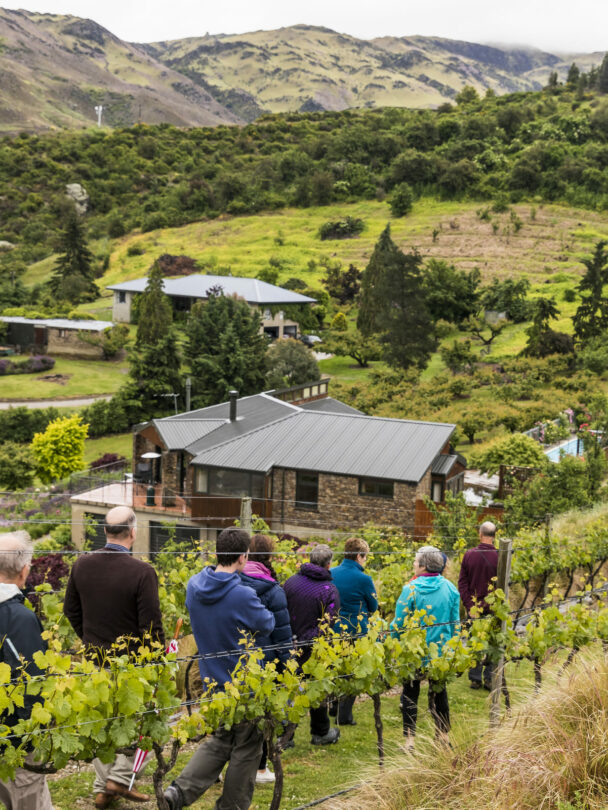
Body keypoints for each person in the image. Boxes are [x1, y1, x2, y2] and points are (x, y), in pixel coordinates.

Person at [164, 527, 275, 810]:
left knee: (220, 740)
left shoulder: (194, 585)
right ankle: (232, 807)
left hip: (212, 682)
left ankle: (178, 793)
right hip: (244, 684)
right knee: (248, 747)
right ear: (243, 557)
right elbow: (268, 624)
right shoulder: (242, 595)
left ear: (216, 553)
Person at [63, 506, 165, 809]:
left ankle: (104, 786)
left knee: (101, 722)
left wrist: (89, 639)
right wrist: (156, 661)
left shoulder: (82, 565)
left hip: (94, 660)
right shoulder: (142, 572)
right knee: (143, 719)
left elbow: (70, 610)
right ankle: (119, 779)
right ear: (133, 531)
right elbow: (151, 625)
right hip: (132, 664)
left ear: (105, 531)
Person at [0, 531, 54, 810]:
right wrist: (32, 741)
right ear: (24, 571)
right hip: (12, 743)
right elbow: (32, 682)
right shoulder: (19, 618)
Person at [390, 545, 460, 747]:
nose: (413, 563)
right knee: (440, 691)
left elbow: (400, 622)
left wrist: (389, 640)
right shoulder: (450, 589)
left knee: (410, 693)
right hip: (441, 652)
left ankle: (410, 740)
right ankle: (443, 736)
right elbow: (455, 624)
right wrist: (453, 649)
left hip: (414, 652)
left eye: (415, 560)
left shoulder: (410, 589)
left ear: (423, 566)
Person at [239, 533, 293, 784]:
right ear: (269, 557)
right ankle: (259, 769)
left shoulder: (230, 583)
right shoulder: (273, 590)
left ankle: (223, 766)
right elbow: (282, 634)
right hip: (265, 661)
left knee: (234, 711)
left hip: (234, 657)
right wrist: (287, 665)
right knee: (262, 715)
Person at [283, 543, 341, 746]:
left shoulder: (290, 582)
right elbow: (329, 622)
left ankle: (286, 735)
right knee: (316, 689)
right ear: (328, 564)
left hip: (289, 643)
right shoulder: (329, 589)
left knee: (290, 690)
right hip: (314, 646)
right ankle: (320, 732)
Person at [330, 537, 378, 725]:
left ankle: (333, 704)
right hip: (355, 630)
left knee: (335, 666)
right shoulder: (364, 579)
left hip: (334, 628)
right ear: (359, 556)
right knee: (352, 670)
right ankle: (345, 715)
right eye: (365, 557)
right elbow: (373, 606)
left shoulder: (331, 573)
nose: (365, 561)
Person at [458, 521, 499, 690]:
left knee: (475, 641)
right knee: (492, 642)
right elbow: (502, 586)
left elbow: (462, 583)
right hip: (493, 608)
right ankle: (489, 678)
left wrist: (470, 606)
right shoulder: (501, 555)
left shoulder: (469, 555)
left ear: (480, 534)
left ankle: (475, 678)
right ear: (494, 536)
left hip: (474, 608)